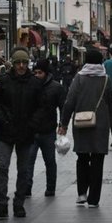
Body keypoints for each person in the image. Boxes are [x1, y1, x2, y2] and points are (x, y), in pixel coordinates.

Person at [0, 47, 47, 218]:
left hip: (25, 132)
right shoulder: (4, 81)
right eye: (18, 63)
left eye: (24, 63)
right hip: (5, 131)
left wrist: (32, 124)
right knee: (3, 167)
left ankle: (19, 203)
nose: (21, 66)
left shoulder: (35, 83)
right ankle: (1, 203)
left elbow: (42, 107)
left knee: (23, 169)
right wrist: (1, 119)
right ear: (13, 64)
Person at [58, 49, 112, 208]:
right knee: (98, 160)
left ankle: (82, 193)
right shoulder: (106, 79)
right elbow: (111, 105)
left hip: (81, 123)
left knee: (82, 158)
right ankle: (94, 198)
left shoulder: (79, 78)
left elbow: (69, 102)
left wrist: (63, 124)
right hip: (101, 124)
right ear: (100, 62)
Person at [26, 59, 65, 197]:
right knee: (28, 161)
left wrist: (62, 124)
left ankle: (50, 188)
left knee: (49, 161)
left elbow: (63, 107)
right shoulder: (29, 86)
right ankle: (27, 188)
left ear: (46, 73)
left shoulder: (56, 87)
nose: (37, 75)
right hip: (31, 130)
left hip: (48, 130)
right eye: (35, 72)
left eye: (40, 72)